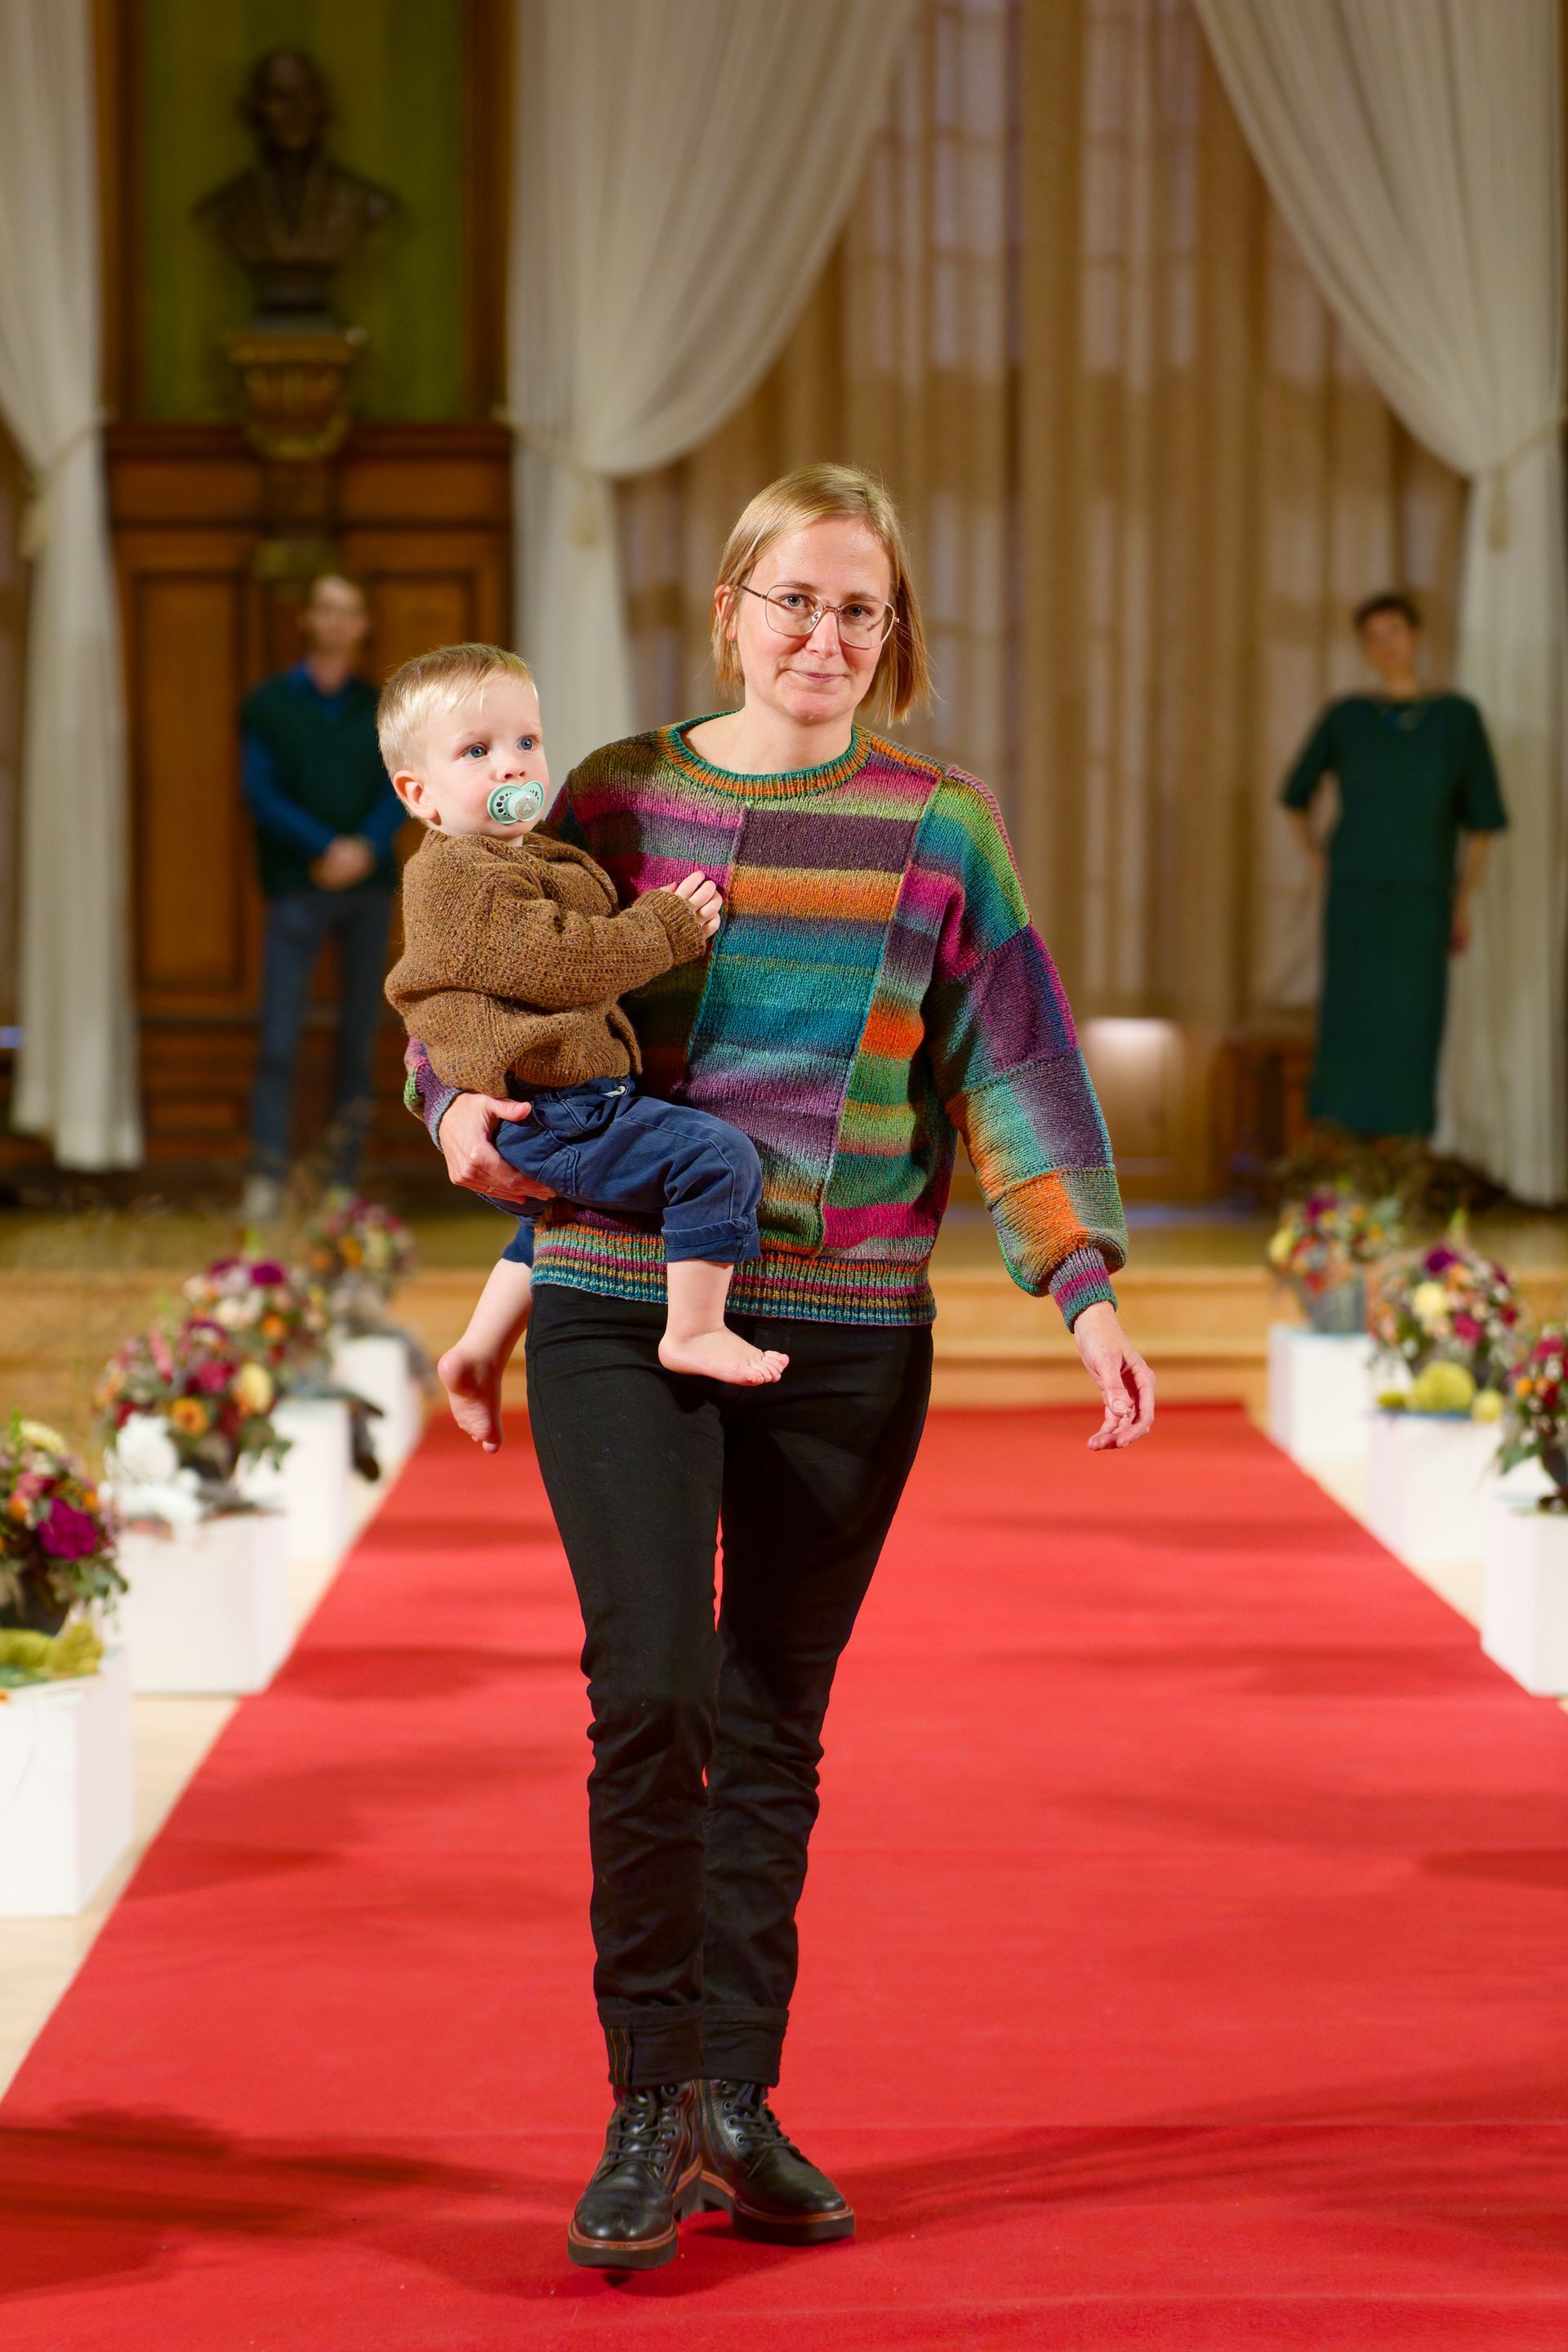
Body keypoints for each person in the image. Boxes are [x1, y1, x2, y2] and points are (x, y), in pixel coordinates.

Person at [403, 465, 1155, 2271]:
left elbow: (1012, 1065)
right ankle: (646, 2102)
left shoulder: (941, 822)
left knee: (773, 1723)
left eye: (863, 610)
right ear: (731, 606)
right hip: (610, 1284)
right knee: (651, 1687)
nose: (826, 636)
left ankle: (737, 2094)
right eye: (796, 600)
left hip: (851, 1324)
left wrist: (1085, 1285)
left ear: (896, 640)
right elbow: (470, 977)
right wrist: (453, 1119)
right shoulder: (612, 793)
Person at [379, 641, 789, 1419]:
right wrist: (664, 930)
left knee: (565, 1215)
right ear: (420, 794)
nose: (512, 767)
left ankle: (477, 1348)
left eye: (525, 743)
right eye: (477, 751)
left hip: (557, 1102)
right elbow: (561, 962)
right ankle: (695, 1329)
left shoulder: (522, 852)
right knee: (715, 1157)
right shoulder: (455, 874)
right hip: (556, 1107)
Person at [1282, 590, 1508, 1140]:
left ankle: (1408, 1154)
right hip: (1356, 896)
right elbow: (1295, 794)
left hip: (1424, 896)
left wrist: (1463, 903)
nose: (1387, 644)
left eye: (1395, 632)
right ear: (1365, 648)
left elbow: (1482, 821)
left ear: (1416, 636)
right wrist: (1318, 860)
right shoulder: (1347, 718)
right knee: (1352, 1024)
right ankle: (1347, 1156)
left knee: (1413, 1025)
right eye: (1374, 637)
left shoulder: (1457, 718)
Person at [241, 573, 407, 1219]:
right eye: (326, 610)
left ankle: (341, 1182)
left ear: (363, 624)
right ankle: (266, 1177)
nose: (338, 622)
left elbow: (403, 783)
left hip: (366, 890)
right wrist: (324, 848)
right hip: (297, 888)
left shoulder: (384, 705)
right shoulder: (269, 704)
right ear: (308, 619)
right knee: (279, 1037)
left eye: (350, 612)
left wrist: (363, 847)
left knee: (358, 1038)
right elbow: (261, 793)